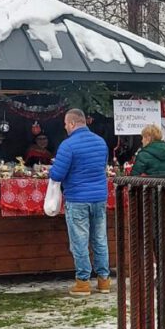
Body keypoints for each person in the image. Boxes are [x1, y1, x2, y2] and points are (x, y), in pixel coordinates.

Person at [49, 107, 110, 297]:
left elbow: (57, 174)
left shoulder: (68, 145)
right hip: (99, 197)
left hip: (77, 199)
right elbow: (103, 167)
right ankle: (104, 281)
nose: (65, 127)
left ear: (73, 123)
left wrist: (51, 169)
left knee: (80, 241)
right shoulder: (101, 142)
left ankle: (83, 282)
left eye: (66, 124)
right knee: (100, 239)